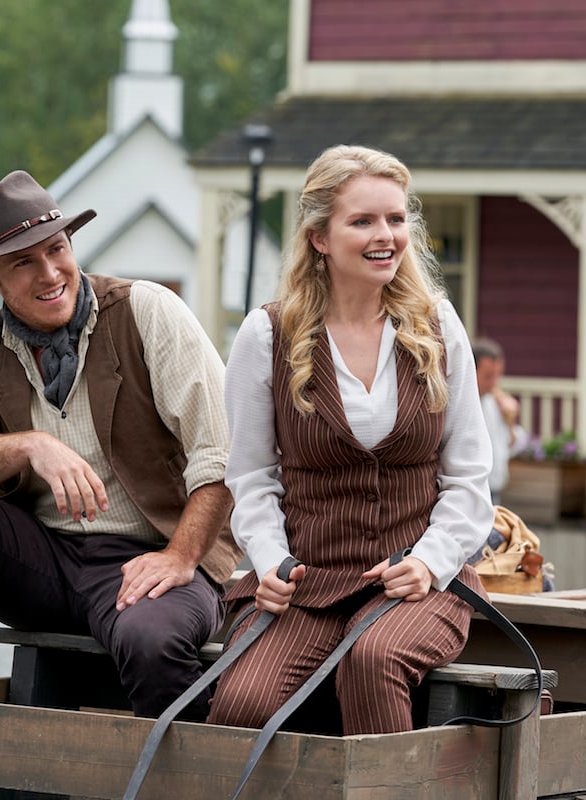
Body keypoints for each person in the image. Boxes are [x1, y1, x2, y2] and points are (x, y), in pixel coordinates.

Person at [0, 170, 241, 725]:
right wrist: (30, 446)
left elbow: (221, 452)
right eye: (23, 262)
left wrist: (180, 555)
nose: (51, 273)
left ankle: (193, 773)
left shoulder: (147, 311)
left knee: (152, 644)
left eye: (56, 249)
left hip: (150, 559)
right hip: (44, 562)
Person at [207, 145, 494, 734]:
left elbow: (468, 477)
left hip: (418, 585)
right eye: (362, 221)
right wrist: (269, 559)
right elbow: (251, 476)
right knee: (240, 707)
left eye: (395, 218)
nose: (385, 234)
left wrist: (429, 563)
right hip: (307, 583)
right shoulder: (267, 334)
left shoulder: (439, 327)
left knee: (373, 661)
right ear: (320, 237)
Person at [473, 336, 526, 503]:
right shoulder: (461, 405)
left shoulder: (496, 404)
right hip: (472, 492)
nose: (494, 382)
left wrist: (511, 421)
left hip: (495, 491)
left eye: (498, 375)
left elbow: (512, 446)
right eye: (488, 376)